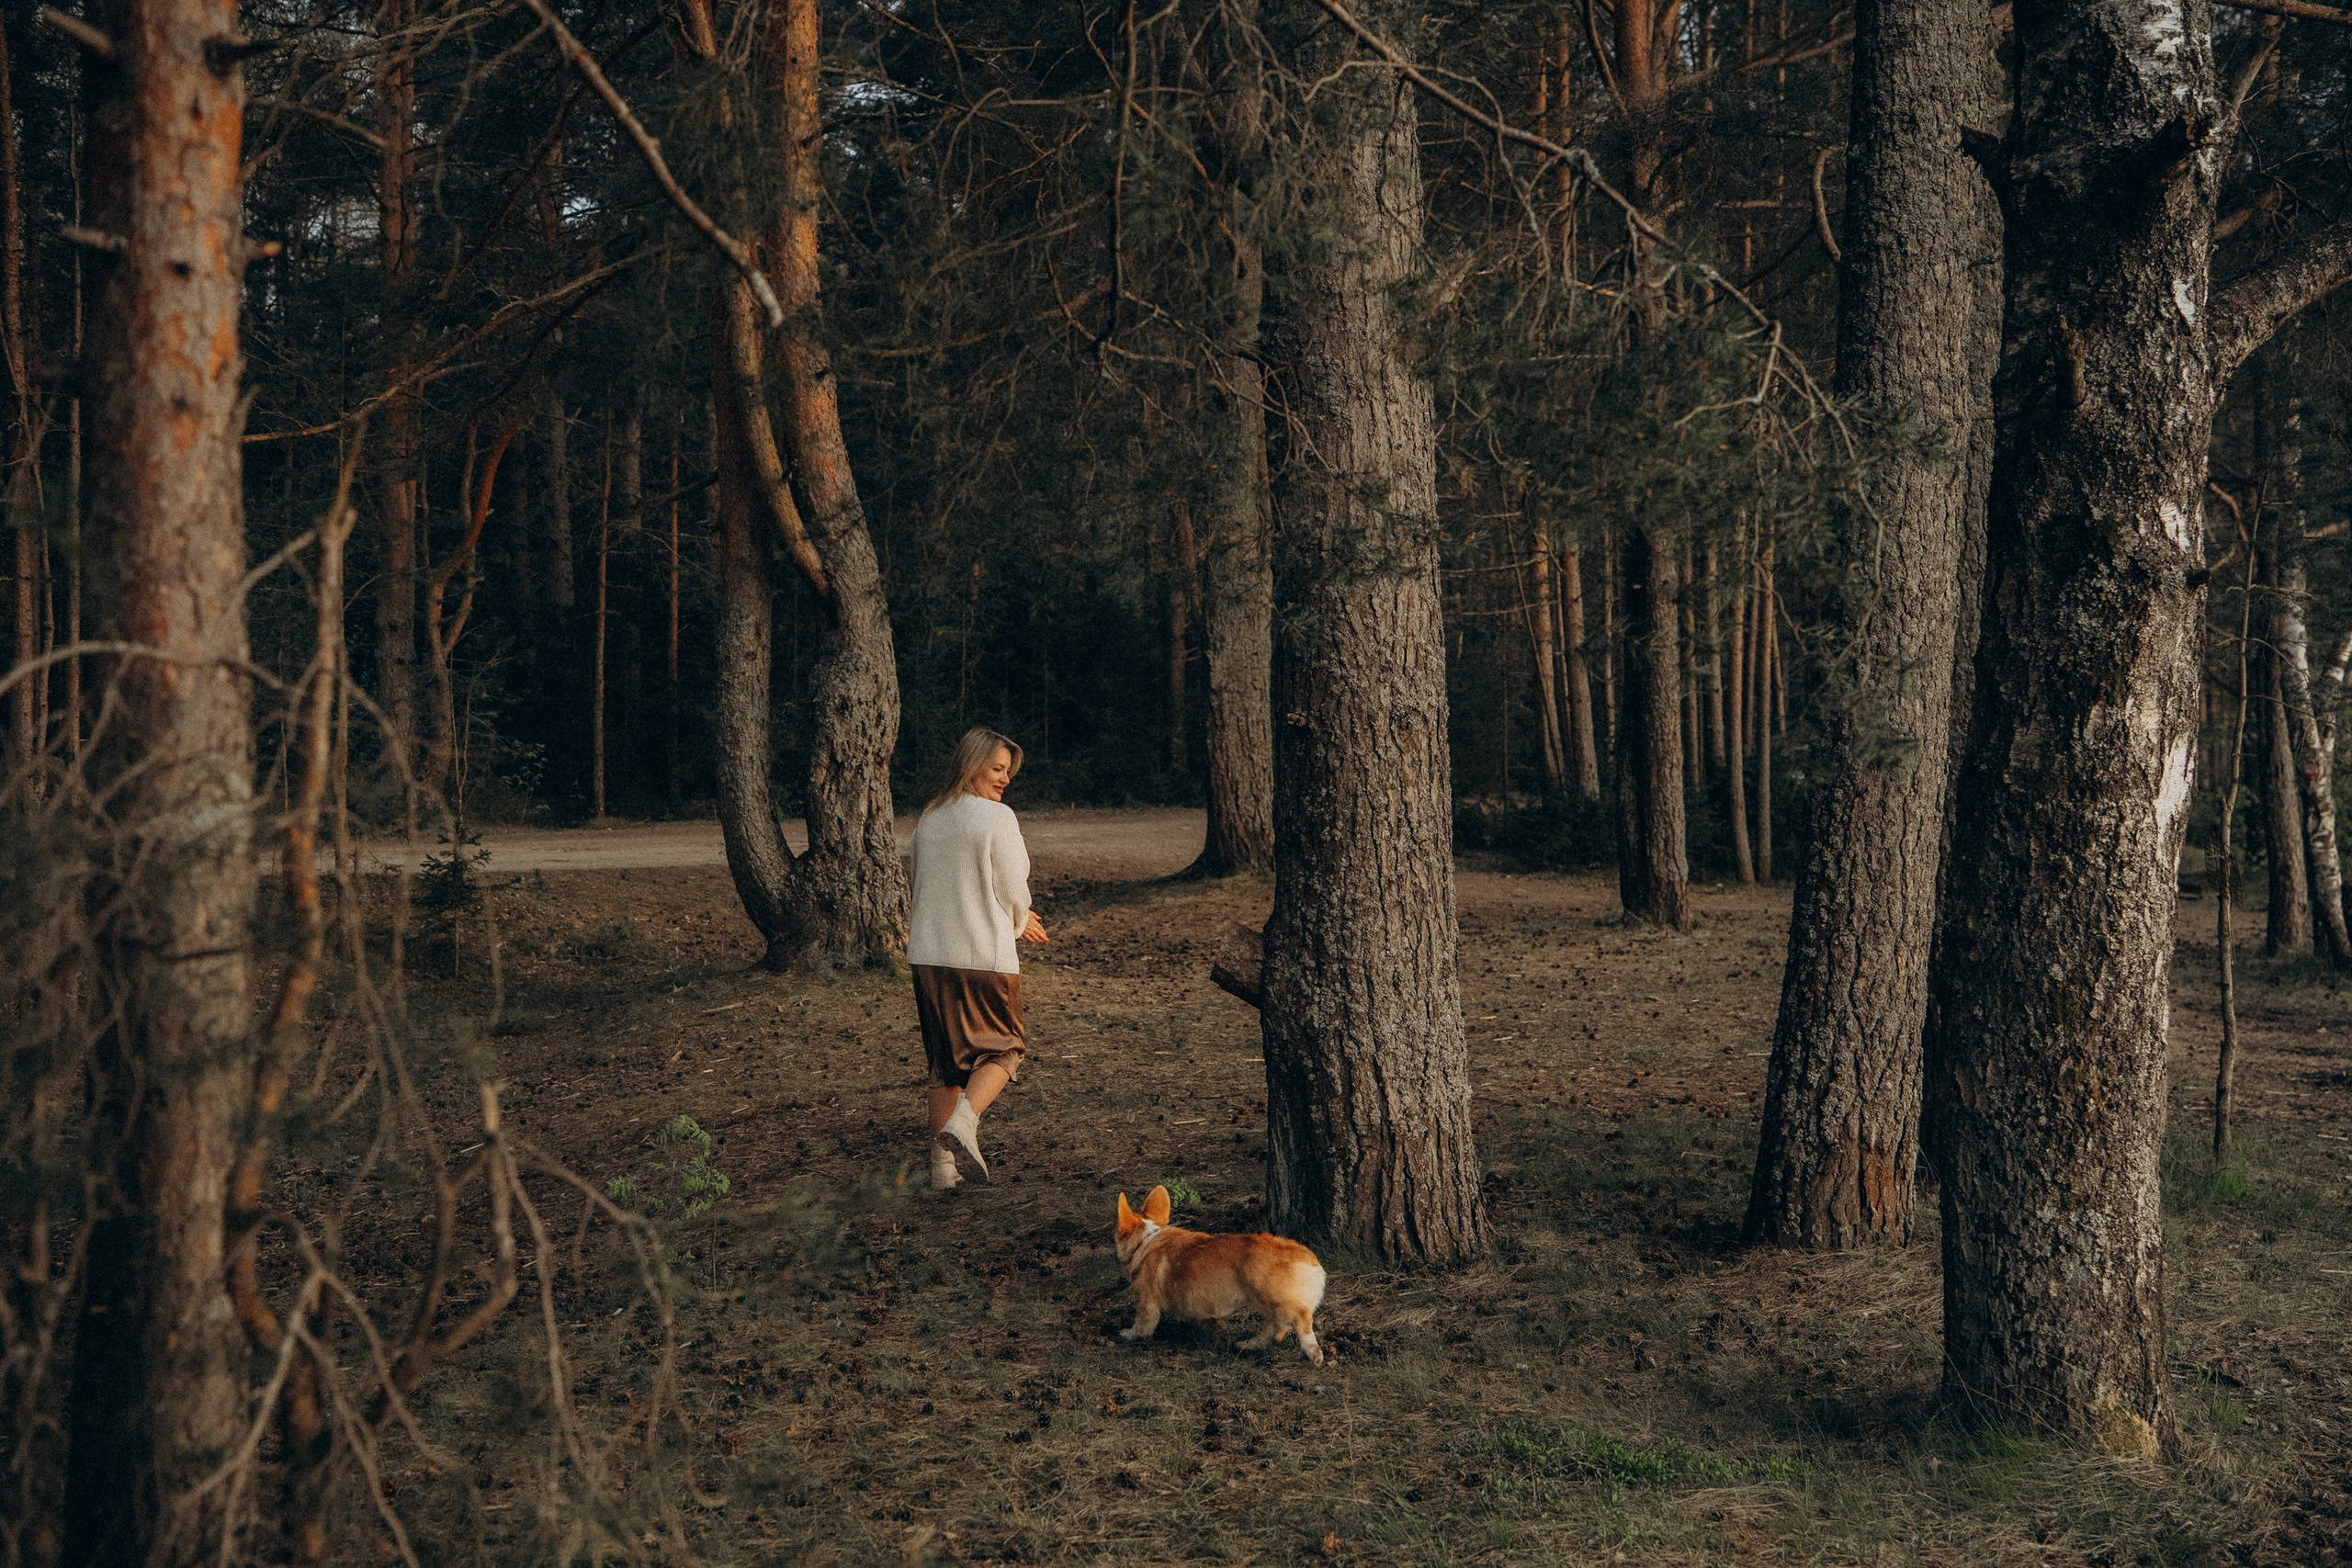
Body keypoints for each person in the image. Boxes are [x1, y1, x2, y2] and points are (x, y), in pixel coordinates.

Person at [907, 727, 1049, 1189]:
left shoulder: (930, 817)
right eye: (997, 768)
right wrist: (1020, 917)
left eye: (1009, 771)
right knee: (1006, 1049)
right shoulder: (996, 818)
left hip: (928, 956)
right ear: (972, 765)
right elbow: (1012, 887)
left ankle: (941, 1173)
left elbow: (925, 884)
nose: (1005, 779)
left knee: (944, 1065)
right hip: (981, 956)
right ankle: (963, 1124)